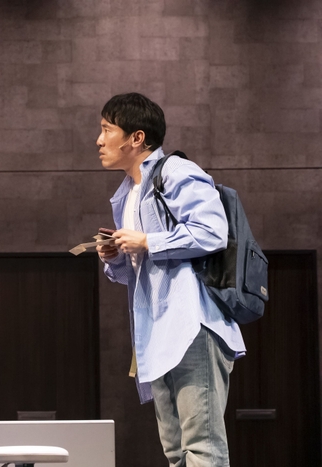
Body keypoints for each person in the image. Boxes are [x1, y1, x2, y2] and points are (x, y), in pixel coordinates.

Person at [95, 93, 245, 467]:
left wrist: (148, 241)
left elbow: (212, 231)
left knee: (202, 448)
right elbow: (142, 268)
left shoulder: (176, 171)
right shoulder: (128, 193)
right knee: (176, 452)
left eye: (107, 130)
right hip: (157, 333)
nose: (99, 140)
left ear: (137, 138)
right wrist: (116, 257)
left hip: (192, 325)